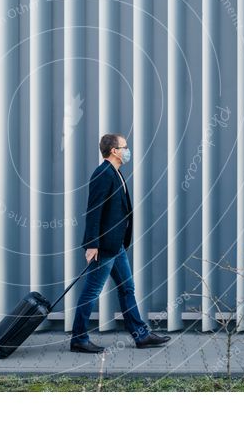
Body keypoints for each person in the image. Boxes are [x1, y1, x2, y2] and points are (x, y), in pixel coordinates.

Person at [69, 133, 171, 352]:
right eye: (125, 147)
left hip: (116, 246)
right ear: (114, 150)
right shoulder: (103, 174)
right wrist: (92, 244)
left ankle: (141, 335)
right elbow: (93, 211)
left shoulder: (116, 173)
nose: (128, 150)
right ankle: (78, 338)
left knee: (127, 288)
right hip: (104, 247)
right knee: (92, 291)